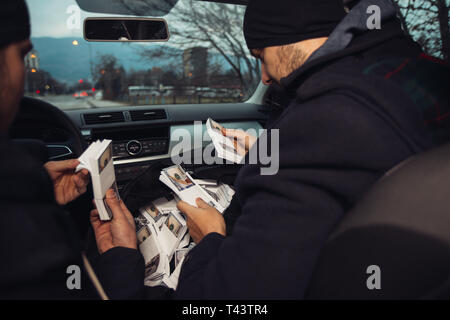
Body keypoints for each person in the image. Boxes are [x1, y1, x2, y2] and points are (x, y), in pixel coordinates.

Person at [167, 0, 450, 299]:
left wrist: (211, 237)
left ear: (288, 36)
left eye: (262, 56)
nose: (264, 76)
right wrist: (268, 150)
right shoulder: (426, 74)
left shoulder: (319, 122)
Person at [0, 0, 141, 299]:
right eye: (23, 55)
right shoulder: (17, 216)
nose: (24, 69)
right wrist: (123, 258)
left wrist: (40, 190)